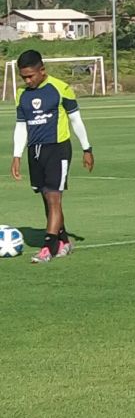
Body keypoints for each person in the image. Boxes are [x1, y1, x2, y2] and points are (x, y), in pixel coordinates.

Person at [10, 49, 94, 263]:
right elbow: (21, 125)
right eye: (24, 77)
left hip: (58, 149)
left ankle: (48, 247)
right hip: (34, 151)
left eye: (31, 76)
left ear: (42, 70)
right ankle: (64, 241)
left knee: (54, 198)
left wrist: (87, 149)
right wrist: (16, 155)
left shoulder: (60, 88)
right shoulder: (22, 94)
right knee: (47, 200)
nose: (28, 81)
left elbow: (76, 120)